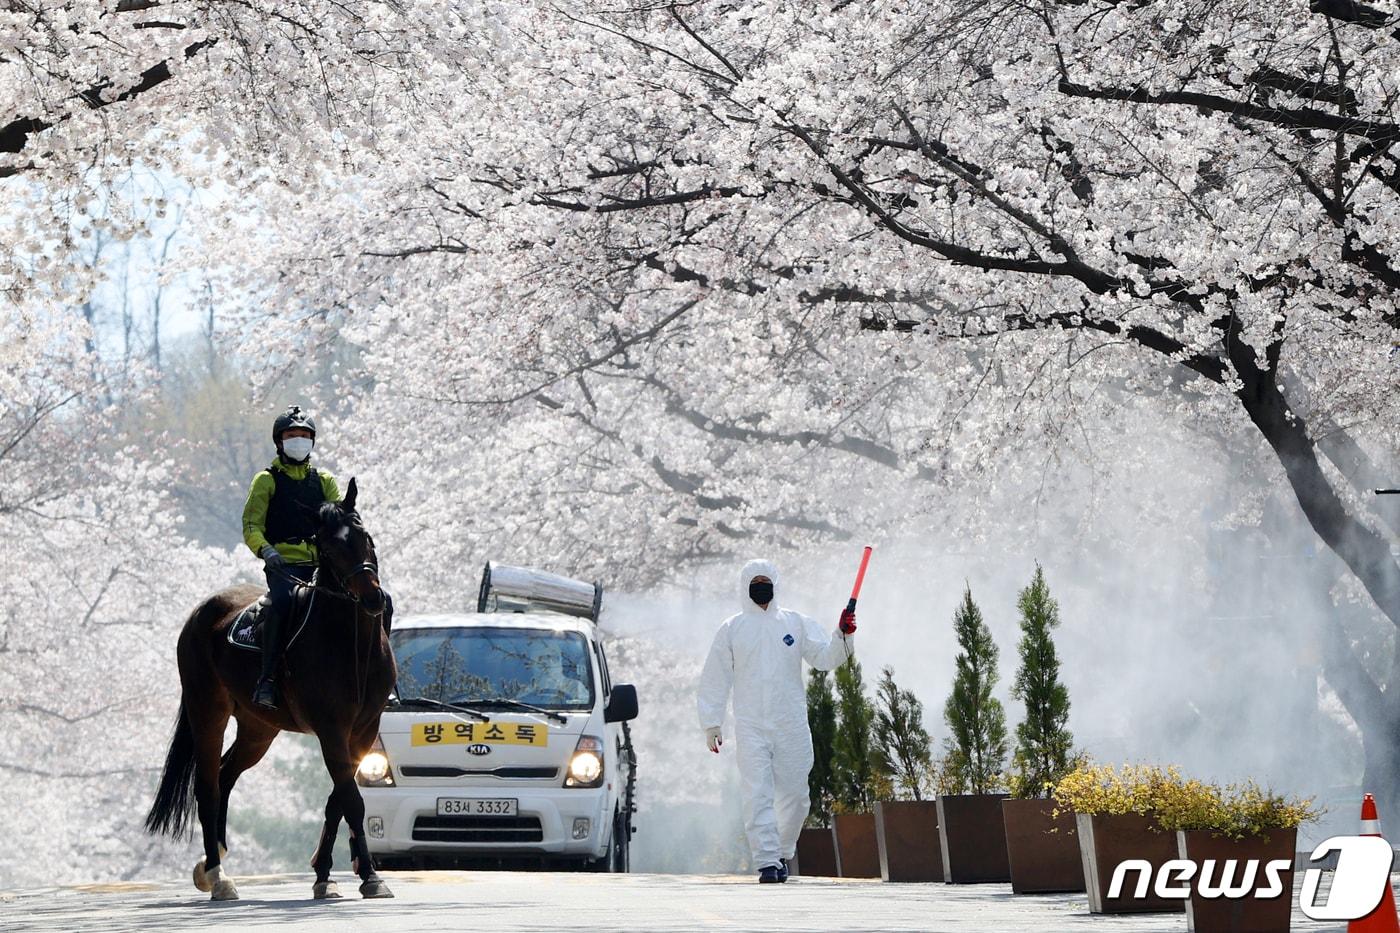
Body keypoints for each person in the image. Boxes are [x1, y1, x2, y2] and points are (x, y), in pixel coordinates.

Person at [696, 558, 857, 883]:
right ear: (745, 587)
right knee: (757, 793)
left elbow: (824, 658)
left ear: (775, 585)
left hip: (790, 723)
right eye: (754, 583)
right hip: (751, 725)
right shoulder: (732, 629)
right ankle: (768, 862)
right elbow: (715, 676)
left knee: (796, 796)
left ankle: (782, 851)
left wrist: (843, 634)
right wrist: (712, 722)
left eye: (765, 582)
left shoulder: (795, 623)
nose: (760, 588)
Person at [241, 406, 341, 709]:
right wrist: (266, 550)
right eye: (291, 435)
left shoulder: (325, 480)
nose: (299, 440)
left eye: (304, 436)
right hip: (284, 566)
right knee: (282, 604)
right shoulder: (266, 480)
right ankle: (267, 679)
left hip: (323, 566)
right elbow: (252, 525)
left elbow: (339, 523)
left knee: (372, 601)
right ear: (279, 441)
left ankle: (378, 678)